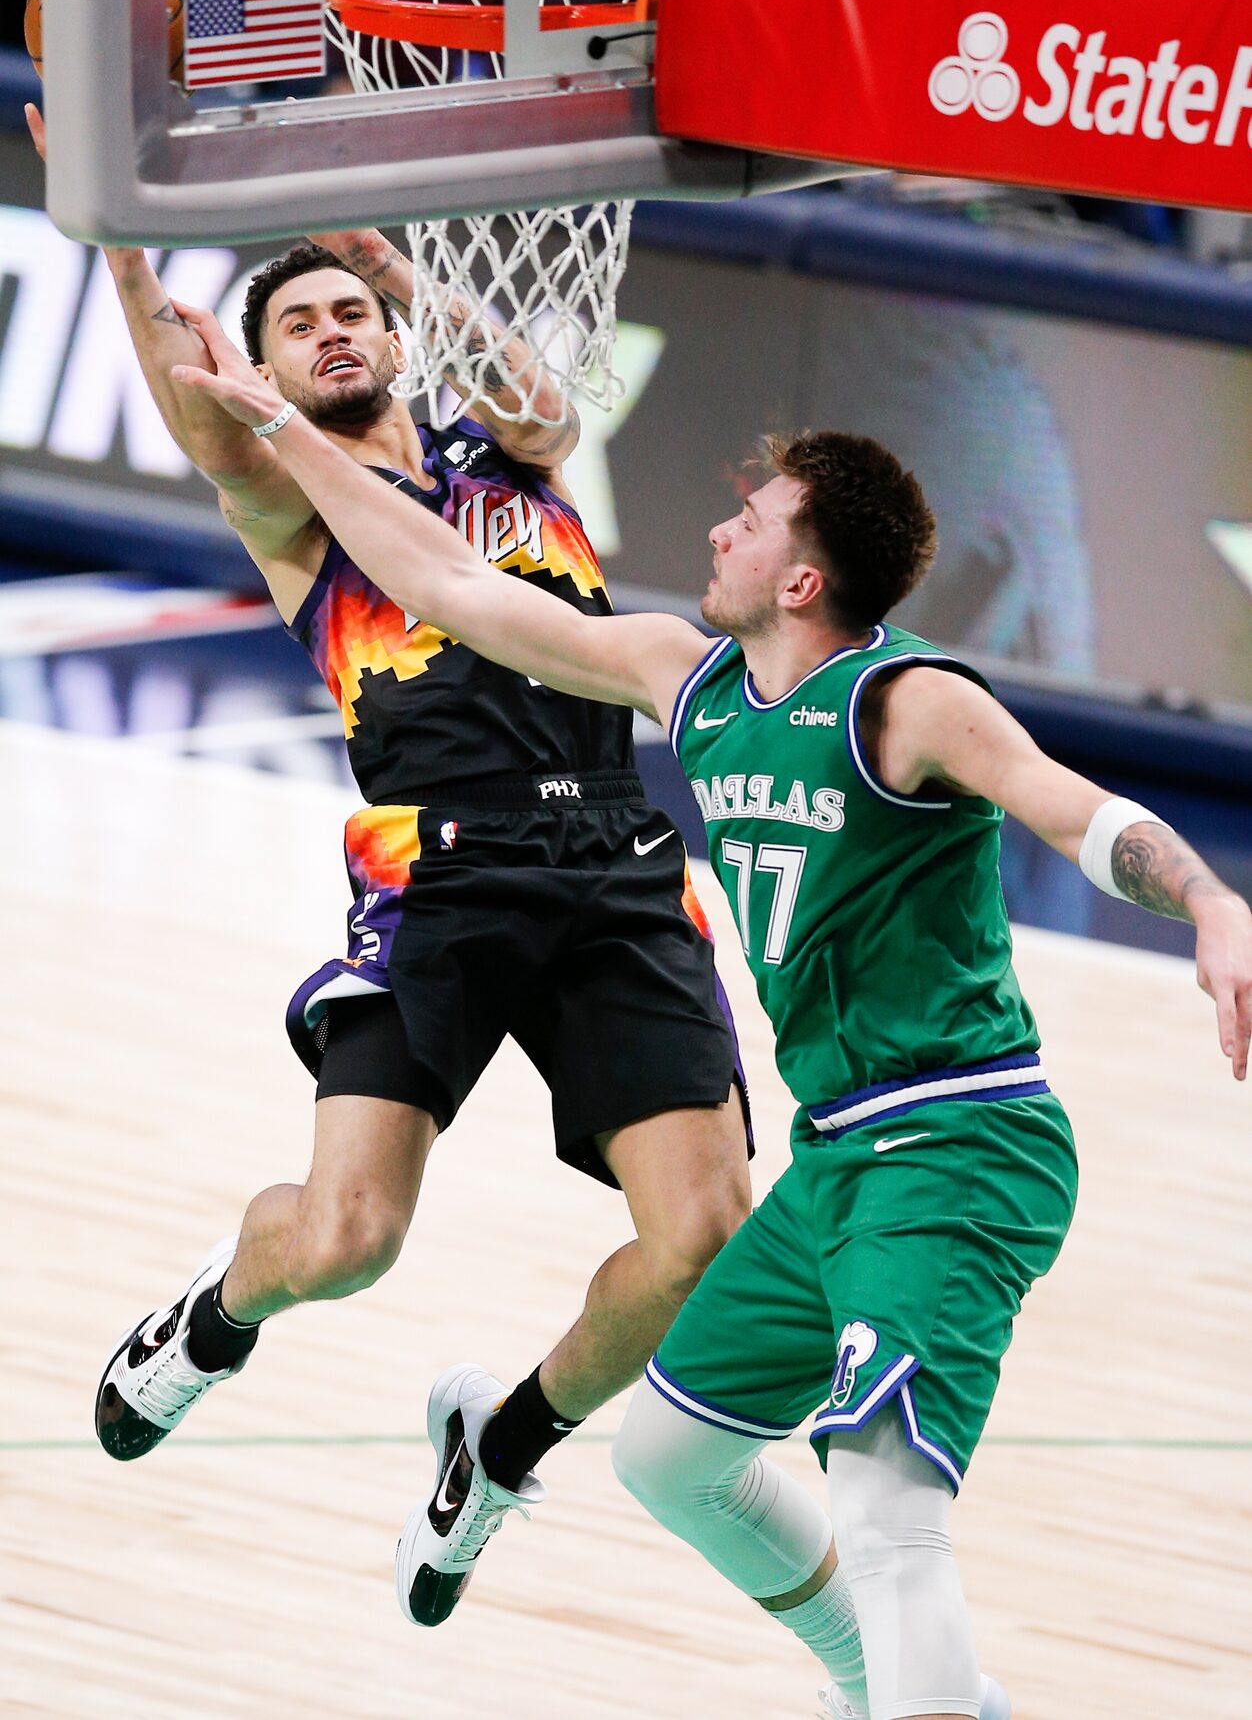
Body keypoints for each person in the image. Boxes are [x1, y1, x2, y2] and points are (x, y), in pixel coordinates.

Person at [163, 304, 1252, 1720]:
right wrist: (281, 429)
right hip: (838, 1158)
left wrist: (1215, 904)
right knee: (669, 1453)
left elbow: (1079, 810)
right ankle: (900, 1685)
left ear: (805, 578)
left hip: (958, 1146)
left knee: (885, 1503)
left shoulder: (905, 702)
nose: (724, 526)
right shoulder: (692, 678)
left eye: (756, 516)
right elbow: (452, 582)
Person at [24, 108, 756, 1626]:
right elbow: (194, 400)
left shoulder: (512, 451)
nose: (333, 330)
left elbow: (549, 390)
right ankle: (214, 1317)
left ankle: (497, 1450)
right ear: (267, 374)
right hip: (444, 869)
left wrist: (405, 274)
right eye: (298, 324)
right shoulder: (286, 496)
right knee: (349, 1238)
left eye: (348, 310)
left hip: (620, 854)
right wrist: (112, 235)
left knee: (704, 1242)